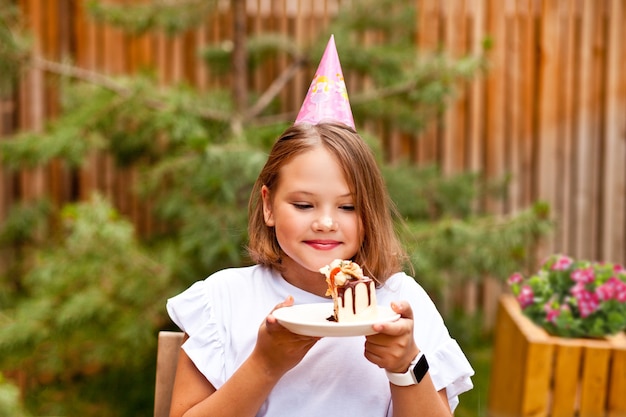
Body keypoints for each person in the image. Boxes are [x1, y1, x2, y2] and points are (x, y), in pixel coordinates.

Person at [166, 36, 474, 417]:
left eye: (348, 206)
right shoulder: (223, 301)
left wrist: (406, 365)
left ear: (369, 215)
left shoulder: (398, 303)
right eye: (303, 204)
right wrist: (265, 364)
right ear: (268, 206)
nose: (326, 222)